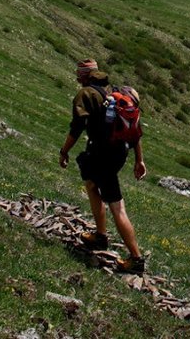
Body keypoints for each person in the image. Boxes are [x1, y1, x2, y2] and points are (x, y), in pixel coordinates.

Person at [59, 58, 147, 274]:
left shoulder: (86, 94)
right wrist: (139, 160)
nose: (77, 77)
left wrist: (64, 151)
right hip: (118, 152)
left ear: (83, 76)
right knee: (91, 183)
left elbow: (77, 127)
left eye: (79, 74)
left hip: (102, 153)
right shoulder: (113, 92)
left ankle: (136, 259)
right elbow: (135, 132)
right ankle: (100, 235)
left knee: (117, 206)